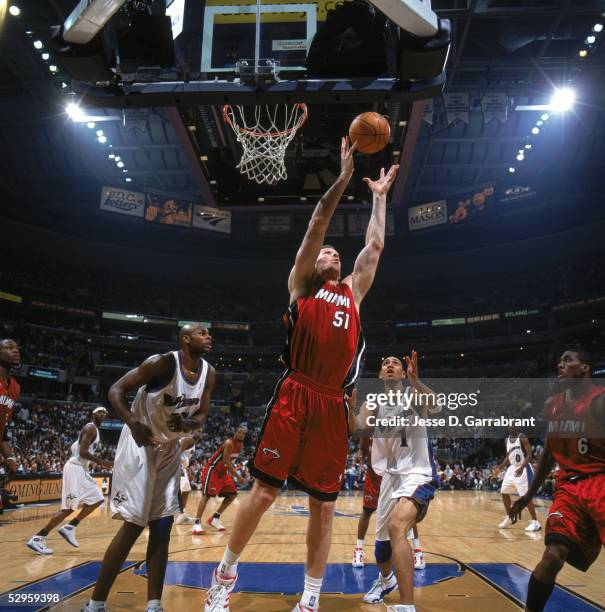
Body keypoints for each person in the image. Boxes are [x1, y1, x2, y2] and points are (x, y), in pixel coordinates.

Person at [204, 138, 399, 612]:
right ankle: (225, 574)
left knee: (325, 504)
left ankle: (310, 598)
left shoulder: (352, 293)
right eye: (326, 252)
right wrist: (345, 177)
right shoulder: (299, 287)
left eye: (335, 252)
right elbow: (317, 223)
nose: (332, 252)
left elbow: (373, 245)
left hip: (334, 402)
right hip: (295, 393)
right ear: (313, 264)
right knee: (265, 490)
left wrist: (378, 196)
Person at [83, 323, 215, 612]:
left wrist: (187, 424)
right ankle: (95, 604)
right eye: (202, 332)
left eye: (209, 333)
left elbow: (202, 416)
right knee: (133, 526)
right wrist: (133, 424)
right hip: (139, 444)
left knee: (163, 526)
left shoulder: (209, 373)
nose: (209, 336)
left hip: (168, 448)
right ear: (185, 338)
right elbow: (116, 390)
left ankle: (154, 604)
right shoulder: (162, 363)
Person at [510, 348, 605, 612]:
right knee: (552, 556)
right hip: (569, 487)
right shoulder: (553, 404)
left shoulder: (599, 402)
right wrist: (530, 494)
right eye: (559, 360)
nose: (560, 365)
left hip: (600, 482)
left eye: (567, 361)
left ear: (584, 368)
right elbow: (550, 452)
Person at [356, 353, 439, 611]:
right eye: (385, 364)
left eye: (395, 363)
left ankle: (406, 606)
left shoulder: (413, 395)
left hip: (417, 473)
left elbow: (433, 403)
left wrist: (416, 382)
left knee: (396, 526)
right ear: (381, 375)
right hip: (389, 477)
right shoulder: (373, 402)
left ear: (403, 373)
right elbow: (357, 427)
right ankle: (386, 580)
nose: (389, 365)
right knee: (381, 550)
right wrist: (349, 406)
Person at [26, 406, 113, 554]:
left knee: (98, 498)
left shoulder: (92, 430)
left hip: (81, 470)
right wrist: (101, 462)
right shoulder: (90, 428)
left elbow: (77, 448)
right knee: (68, 508)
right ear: (93, 414)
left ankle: (70, 526)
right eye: (100, 412)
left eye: (105, 412)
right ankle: (38, 537)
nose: (103, 414)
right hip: (75, 469)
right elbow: (82, 452)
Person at [352, 434, 425, 570]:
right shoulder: (368, 427)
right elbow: (362, 448)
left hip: (396, 477)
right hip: (374, 478)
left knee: (408, 513)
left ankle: (417, 551)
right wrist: (361, 456)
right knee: (367, 511)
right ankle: (358, 550)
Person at [192, 425, 248, 535]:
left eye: (243, 434)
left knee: (232, 495)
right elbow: (226, 462)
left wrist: (232, 474)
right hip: (212, 470)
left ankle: (215, 518)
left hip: (223, 472)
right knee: (207, 496)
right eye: (240, 432)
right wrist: (238, 476)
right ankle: (197, 523)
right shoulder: (229, 443)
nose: (241, 435)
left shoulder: (240, 445)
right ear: (235, 433)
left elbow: (229, 463)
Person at [496, 427, 540, 531]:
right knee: (504, 492)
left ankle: (535, 522)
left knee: (526, 496)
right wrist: (500, 466)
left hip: (523, 467)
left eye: (514, 425)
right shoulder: (506, 440)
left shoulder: (522, 437)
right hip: (512, 468)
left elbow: (529, 455)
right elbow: (508, 456)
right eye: (510, 425)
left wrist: (522, 467)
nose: (512, 427)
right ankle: (509, 517)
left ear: (517, 427)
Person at [0, 339, 20, 513]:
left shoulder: (15, 387)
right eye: (8, 348)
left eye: (16, 348)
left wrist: (10, 457)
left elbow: (2, 427)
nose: (15, 351)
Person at [175, 431, 202, 525]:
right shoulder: (189, 439)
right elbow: (176, 453)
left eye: (201, 430)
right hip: (177, 466)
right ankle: (151, 517)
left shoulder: (191, 441)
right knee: (174, 492)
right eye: (198, 430)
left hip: (182, 467)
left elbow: (184, 456)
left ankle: (182, 514)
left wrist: (188, 469)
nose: (200, 432)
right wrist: (178, 467)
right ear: (192, 430)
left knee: (186, 490)